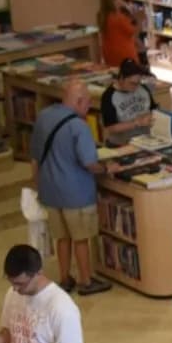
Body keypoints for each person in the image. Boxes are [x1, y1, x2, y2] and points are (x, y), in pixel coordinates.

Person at [30, 79, 111, 296]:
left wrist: (37, 187)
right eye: (87, 103)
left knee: (62, 238)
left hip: (50, 191)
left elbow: (35, 158)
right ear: (79, 101)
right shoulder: (79, 126)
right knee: (81, 237)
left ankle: (65, 278)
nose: (88, 108)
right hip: (76, 192)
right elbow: (89, 162)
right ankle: (86, 280)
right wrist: (106, 167)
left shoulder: (44, 116)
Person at [101, 58, 159, 147]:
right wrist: (136, 123)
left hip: (146, 141)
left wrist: (151, 116)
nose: (136, 87)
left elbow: (154, 110)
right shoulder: (109, 96)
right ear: (121, 78)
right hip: (122, 144)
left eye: (138, 83)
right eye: (132, 83)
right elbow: (111, 128)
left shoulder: (143, 89)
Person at [99, 0, 147, 71]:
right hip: (124, 53)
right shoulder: (119, 17)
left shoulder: (103, 16)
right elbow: (134, 33)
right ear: (114, 1)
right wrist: (140, 20)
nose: (122, 0)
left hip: (109, 53)